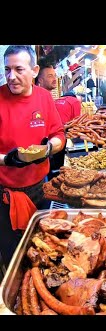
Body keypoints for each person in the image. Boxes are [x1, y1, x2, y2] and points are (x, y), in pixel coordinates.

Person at [0, 45, 65, 266]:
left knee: (46, 249)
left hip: (41, 190)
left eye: (19, 69)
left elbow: (58, 134)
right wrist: (6, 159)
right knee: (15, 256)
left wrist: (48, 149)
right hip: (6, 195)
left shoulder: (44, 98)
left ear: (34, 70)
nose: (12, 76)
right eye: (7, 69)